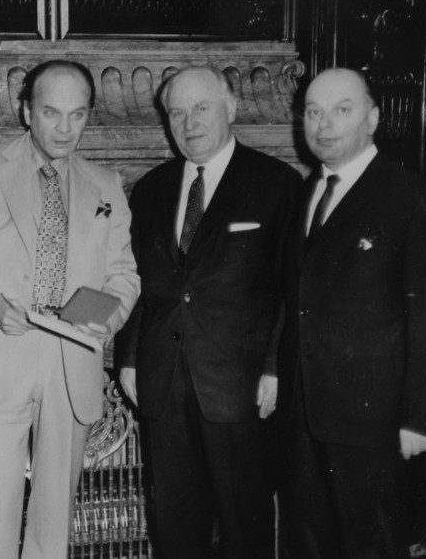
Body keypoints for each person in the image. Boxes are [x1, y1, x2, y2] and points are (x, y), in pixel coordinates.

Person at [0, 60, 140, 557]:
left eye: (77, 114)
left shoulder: (106, 183)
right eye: (51, 113)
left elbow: (124, 275)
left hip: (72, 366)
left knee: (54, 518)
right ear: (27, 111)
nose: (65, 129)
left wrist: (103, 320)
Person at [114, 65, 302, 558]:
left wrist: (275, 367)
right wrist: (129, 358)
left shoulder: (277, 183)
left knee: (244, 526)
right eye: (177, 113)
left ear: (231, 108)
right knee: (175, 525)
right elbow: (141, 280)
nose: (189, 122)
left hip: (240, 386)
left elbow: (292, 288)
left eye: (201, 108)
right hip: (164, 382)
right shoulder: (151, 189)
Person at [279, 67, 426, 558]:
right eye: (313, 111)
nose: (323, 125)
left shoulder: (410, 197)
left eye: (341, 110)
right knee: (309, 544)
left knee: (371, 546)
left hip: (374, 422)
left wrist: (421, 418)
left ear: (372, 117)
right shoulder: (306, 192)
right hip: (306, 415)